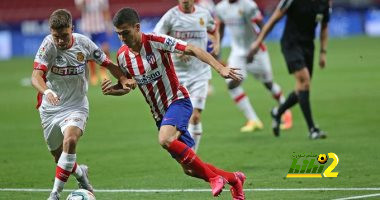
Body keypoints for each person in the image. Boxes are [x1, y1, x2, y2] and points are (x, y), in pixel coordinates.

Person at [102, 7, 246, 199]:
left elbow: (192, 48)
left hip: (178, 101)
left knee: (165, 139)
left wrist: (220, 68)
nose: (122, 38)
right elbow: (129, 85)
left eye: (125, 33)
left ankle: (214, 179)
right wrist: (115, 90)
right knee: (190, 170)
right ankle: (234, 179)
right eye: (118, 34)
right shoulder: (122, 56)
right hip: (159, 115)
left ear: (137, 27)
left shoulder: (156, 41)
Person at [31, 9, 133, 200]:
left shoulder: (83, 43)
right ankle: (81, 173)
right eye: (56, 36)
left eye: (64, 35)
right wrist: (47, 91)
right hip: (50, 108)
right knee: (59, 158)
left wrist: (123, 79)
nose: (60, 41)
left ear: (72, 28)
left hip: (76, 105)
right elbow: (35, 76)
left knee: (70, 141)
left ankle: (54, 195)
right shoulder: (47, 46)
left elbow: (108, 63)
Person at [248, 0, 330, 139]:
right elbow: (273, 20)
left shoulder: (324, 3)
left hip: (308, 46)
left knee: (302, 88)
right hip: (291, 44)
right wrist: (258, 42)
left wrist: (323, 52)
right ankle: (312, 129)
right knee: (304, 82)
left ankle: (278, 112)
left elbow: (324, 27)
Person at [215, 0, 293, 132]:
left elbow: (263, 27)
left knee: (268, 83)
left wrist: (256, 47)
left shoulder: (248, 5)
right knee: (231, 84)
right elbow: (220, 30)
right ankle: (253, 120)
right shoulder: (220, 8)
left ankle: (285, 110)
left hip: (256, 51)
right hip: (238, 53)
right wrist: (218, 51)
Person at [153, 0, 220, 153]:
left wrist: (217, 43)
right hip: (177, 76)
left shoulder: (203, 14)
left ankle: (192, 155)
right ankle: (186, 152)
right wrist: (176, 51)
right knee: (180, 121)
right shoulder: (170, 16)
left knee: (195, 117)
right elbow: (156, 40)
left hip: (200, 74)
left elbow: (214, 29)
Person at [74, 0, 112, 85]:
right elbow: (79, 7)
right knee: (89, 52)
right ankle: (93, 74)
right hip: (88, 29)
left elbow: (105, 10)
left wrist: (109, 25)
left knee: (105, 48)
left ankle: (103, 71)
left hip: (100, 27)